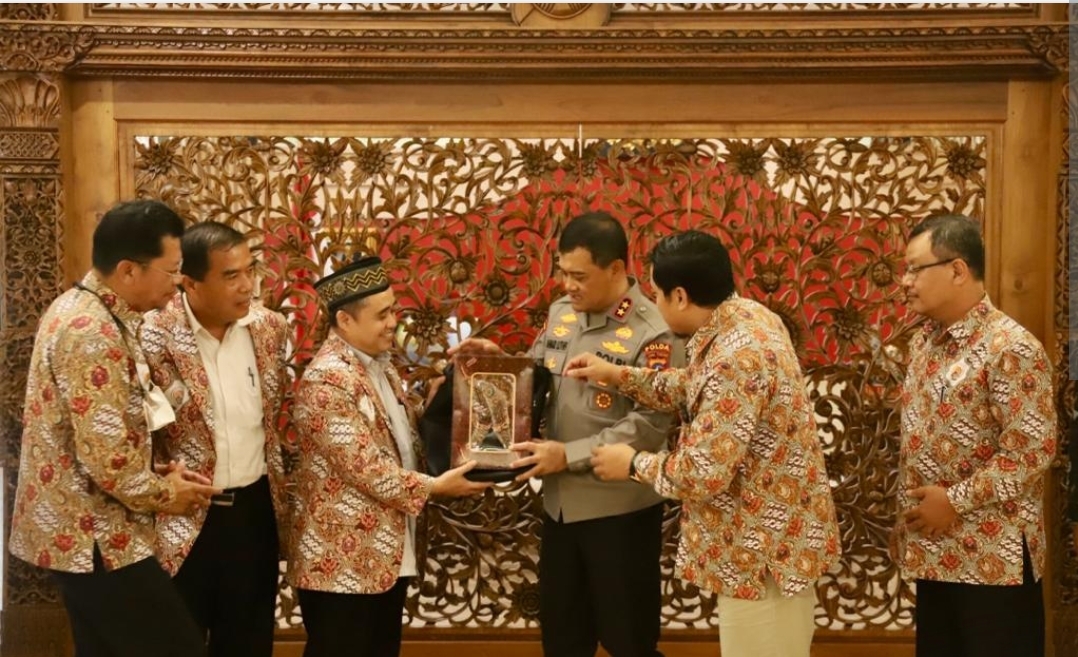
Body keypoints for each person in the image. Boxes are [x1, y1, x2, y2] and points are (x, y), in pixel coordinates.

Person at [569, 229, 841, 657]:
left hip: (761, 555)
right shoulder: (747, 318)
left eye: (657, 295)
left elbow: (702, 472)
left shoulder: (737, 356)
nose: (655, 305)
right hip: (770, 545)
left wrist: (633, 463)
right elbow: (699, 386)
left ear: (679, 296)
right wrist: (619, 375)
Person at [450, 212, 679, 657]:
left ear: (616, 268)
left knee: (629, 643)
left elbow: (650, 424)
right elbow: (540, 380)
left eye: (579, 276)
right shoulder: (561, 314)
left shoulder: (654, 332)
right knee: (563, 641)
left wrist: (568, 455)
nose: (567, 285)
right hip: (560, 510)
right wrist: (501, 362)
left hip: (619, 513)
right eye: (563, 272)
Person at [8, 199, 220, 657]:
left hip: (90, 530)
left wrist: (155, 472)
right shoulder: (92, 331)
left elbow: (99, 435)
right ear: (128, 270)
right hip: (96, 536)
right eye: (172, 271)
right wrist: (166, 494)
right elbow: (107, 460)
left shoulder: (88, 310)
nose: (178, 283)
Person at [287, 255, 490, 657]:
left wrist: (440, 400)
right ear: (345, 321)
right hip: (341, 564)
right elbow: (366, 468)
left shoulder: (379, 366)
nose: (393, 322)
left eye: (393, 310)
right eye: (382, 315)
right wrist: (436, 487)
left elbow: (398, 438)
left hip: (382, 555)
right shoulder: (327, 379)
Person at [889, 214, 1056, 657]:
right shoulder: (924, 342)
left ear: (958, 269)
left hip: (993, 561)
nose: (905, 281)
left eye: (915, 268)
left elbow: (1032, 451)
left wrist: (954, 500)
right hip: (934, 553)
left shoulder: (1010, 347)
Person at [141, 222, 291, 657]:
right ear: (189, 283)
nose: (247, 286)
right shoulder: (152, 334)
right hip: (182, 516)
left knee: (248, 643)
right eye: (231, 276)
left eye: (250, 271)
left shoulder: (269, 328)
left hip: (253, 512)